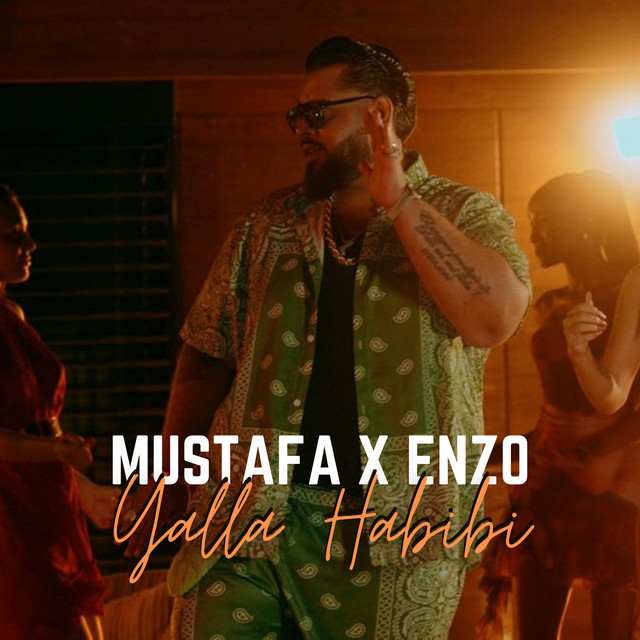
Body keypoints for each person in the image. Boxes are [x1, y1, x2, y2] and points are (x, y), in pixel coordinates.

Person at [124, 36, 530, 640]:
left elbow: (493, 320)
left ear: (381, 113)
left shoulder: (464, 212)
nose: (301, 129)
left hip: (396, 530)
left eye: (318, 113)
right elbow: (206, 356)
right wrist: (166, 477)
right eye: (296, 114)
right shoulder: (267, 224)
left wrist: (399, 200)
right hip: (250, 512)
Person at [478, 171, 640, 640]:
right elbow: (556, 410)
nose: (533, 235)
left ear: (584, 223)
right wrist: (515, 452)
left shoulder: (628, 295)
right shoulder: (550, 304)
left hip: (613, 487)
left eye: (544, 221)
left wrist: (589, 451)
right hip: (549, 482)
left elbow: (621, 400)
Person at [0, 184, 119, 640]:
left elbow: (40, 422)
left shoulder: (12, 314)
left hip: (48, 499)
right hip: (10, 507)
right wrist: (55, 452)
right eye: (13, 235)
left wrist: (83, 490)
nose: (30, 245)